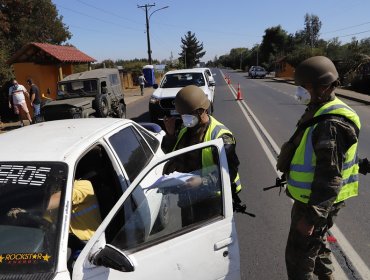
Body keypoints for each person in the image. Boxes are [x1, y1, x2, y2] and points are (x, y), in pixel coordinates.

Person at [276, 56, 363, 280]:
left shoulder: (330, 123)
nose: (300, 92)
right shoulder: (320, 108)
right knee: (318, 246)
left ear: (323, 87)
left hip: (314, 203)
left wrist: (312, 218)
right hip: (313, 200)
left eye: (305, 87)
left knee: (298, 262)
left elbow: (330, 176)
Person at [162, 85, 242, 225]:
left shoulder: (221, 137)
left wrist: (202, 181)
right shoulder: (186, 130)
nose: (182, 118)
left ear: (201, 111)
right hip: (187, 198)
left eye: (186, 115)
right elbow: (172, 154)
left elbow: (229, 174)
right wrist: (170, 134)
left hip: (212, 202)